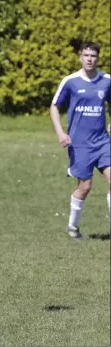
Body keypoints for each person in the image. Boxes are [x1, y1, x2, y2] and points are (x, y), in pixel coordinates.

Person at [50, 42, 111, 240]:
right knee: (85, 187)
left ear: (98, 58)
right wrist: (60, 133)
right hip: (80, 145)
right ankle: (73, 227)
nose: (89, 59)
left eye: (93, 55)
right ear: (80, 57)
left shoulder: (107, 81)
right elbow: (54, 107)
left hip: (103, 142)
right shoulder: (71, 82)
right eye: (86, 55)